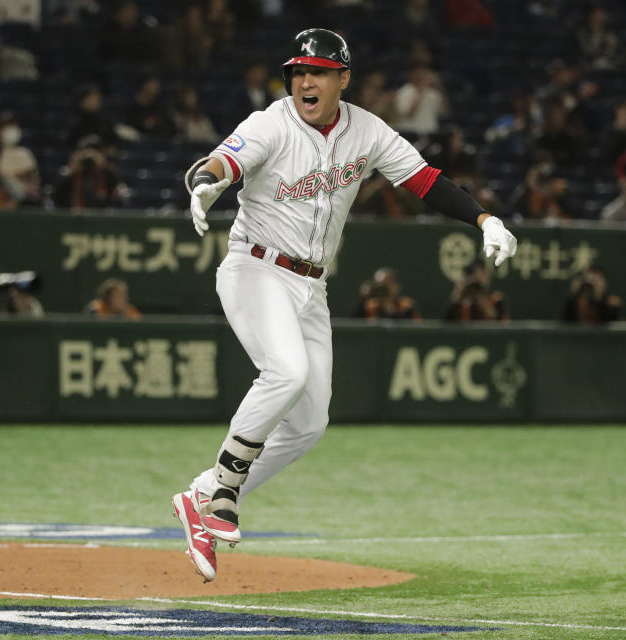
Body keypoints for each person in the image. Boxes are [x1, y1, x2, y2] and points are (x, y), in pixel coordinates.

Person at [174, 28, 518, 583]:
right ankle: (224, 494)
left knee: (309, 424)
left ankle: (200, 495)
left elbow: (426, 180)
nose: (305, 81)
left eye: (319, 72)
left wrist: (485, 218)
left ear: (342, 80)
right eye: (298, 72)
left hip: (312, 287)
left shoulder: (367, 130)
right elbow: (220, 162)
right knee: (285, 373)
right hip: (255, 267)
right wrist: (205, 183)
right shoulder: (270, 123)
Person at [53, 136, 128, 211]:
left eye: (94, 154)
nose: (89, 159)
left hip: (101, 217)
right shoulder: (73, 174)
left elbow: (117, 202)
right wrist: (71, 171)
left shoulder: (107, 173)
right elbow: (57, 198)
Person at [445, 259, 509, 322]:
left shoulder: (496, 300)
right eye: (475, 276)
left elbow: (503, 326)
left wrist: (484, 304)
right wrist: (457, 294)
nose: (479, 280)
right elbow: (447, 324)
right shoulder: (464, 303)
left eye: (482, 274)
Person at [353, 267, 421, 321]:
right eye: (381, 284)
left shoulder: (407, 307)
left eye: (389, 283)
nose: (385, 287)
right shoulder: (369, 306)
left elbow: (416, 329)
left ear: (397, 286)